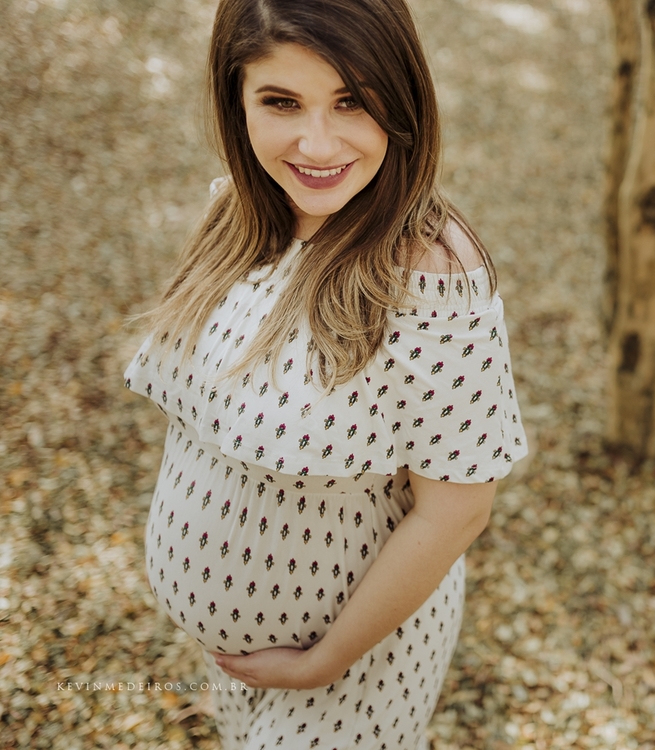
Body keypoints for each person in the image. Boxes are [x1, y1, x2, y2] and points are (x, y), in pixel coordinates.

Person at [122, 0, 528, 747]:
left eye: (351, 100)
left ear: (401, 100)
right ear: (235, 99)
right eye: (281, 102)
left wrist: (322, 662)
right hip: (237, 666)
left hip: (353, 666)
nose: (316, 142)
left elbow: (458, 510)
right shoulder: (240, 217)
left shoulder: (430, 274)